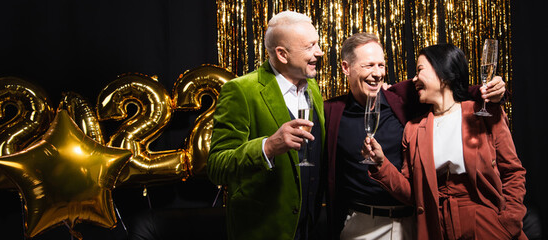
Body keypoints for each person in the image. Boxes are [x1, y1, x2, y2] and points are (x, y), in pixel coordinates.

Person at [324, 33, 508, 240]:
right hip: (362, 223)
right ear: (345, 68)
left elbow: (450, 89)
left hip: (414, 221)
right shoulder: (330, 112)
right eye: (369, 66)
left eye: (381, 65)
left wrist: (494, 91)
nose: (377, 74)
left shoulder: (402, 96)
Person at [362, 43, 527, 240]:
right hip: (436, 227)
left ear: (444, 73)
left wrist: (509, 222)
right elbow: (413, 193)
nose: (414, 79)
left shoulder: (486, 114)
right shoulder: (413, 130)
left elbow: (513, 172)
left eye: (420, 70)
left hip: (486, 224)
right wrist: (381, 163)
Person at [208, 11, 327, 240]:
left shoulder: (312, 88)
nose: (319, 52)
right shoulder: (241, 91)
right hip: (263, 231)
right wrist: (267, 147)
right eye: (310, 46)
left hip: (309, 228)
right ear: (282, 54)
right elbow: (216, 167)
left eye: (318, 44)